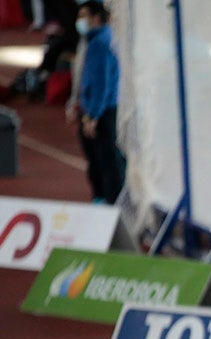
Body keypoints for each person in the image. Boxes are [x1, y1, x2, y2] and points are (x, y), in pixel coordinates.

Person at [75, 1, 124, 204]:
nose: (80, 21)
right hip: (100, 109)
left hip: (102, 112)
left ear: (96, 18)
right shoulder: (96, 40)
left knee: (105, 162)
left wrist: (92, 115)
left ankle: (108, 202)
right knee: (103, 161)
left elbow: (101, 83)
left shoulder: (100, 43)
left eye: (84, 16)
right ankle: (106, 199)